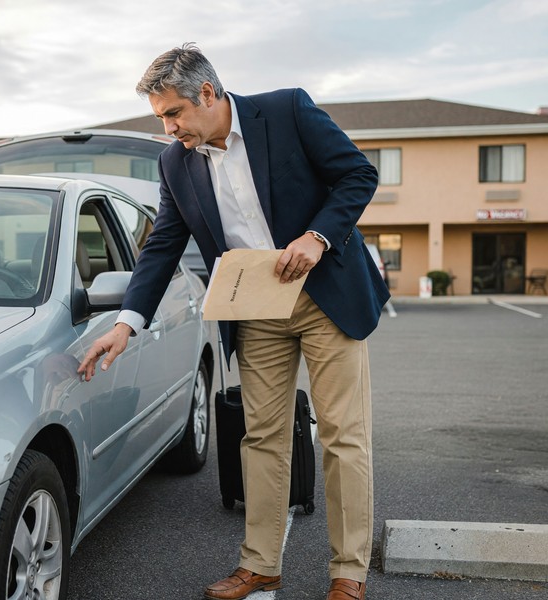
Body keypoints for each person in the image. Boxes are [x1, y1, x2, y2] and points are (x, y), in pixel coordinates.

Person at [78, 43, 389, 600]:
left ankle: (348, 574)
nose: (169, 127)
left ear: (207, 93)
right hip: (255, 310)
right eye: (161, 118)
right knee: (262, 436)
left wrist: (317, 237)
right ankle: (260, 565)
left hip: (326, 298)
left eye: (173, 113)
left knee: (344, 436)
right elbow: (163, 244)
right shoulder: (174, 161)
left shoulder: (289, 111)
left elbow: (357, 177)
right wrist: (127, 322)